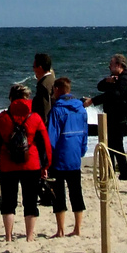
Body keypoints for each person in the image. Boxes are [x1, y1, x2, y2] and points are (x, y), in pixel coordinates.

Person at [0, 84, 51, 243]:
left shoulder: (2, 118)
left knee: (8, 202)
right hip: (32, 164)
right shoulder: (35, 117)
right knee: (30, 201)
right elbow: (45, 144)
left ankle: (8, 236)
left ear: (11, 98)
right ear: (27, 98)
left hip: (7, 165)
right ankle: (29, 236)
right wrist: (45, 165)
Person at [46, 77, 86, 237]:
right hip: (75, 155)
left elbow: (52, 137)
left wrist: (48, 157)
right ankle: (77, 228)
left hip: (60, 157)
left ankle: (61, 230)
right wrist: (82, 150)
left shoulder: (57, 109)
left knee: (59, 194)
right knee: (76, 192)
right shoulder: (81, 109)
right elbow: (85, 134)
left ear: (57, 90)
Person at [84, 54, 127, 180]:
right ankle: (110, 172)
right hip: (112, 115)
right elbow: (100, 87)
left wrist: (93, 101)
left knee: (116, 145)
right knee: (110, 144)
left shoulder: (124, 79)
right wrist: (107, 81)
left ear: (118, 65)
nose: (109, 67)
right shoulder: (115, 78)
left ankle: (124, 173)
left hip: (119, 116)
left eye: (111, 64)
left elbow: (113, 95)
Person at [32, 53, 56, 120]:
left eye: (34, 67)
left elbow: (45, 109)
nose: (33, 70)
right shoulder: (53, 79)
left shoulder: (43, 85)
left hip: (46, 124)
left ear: (40, 68)